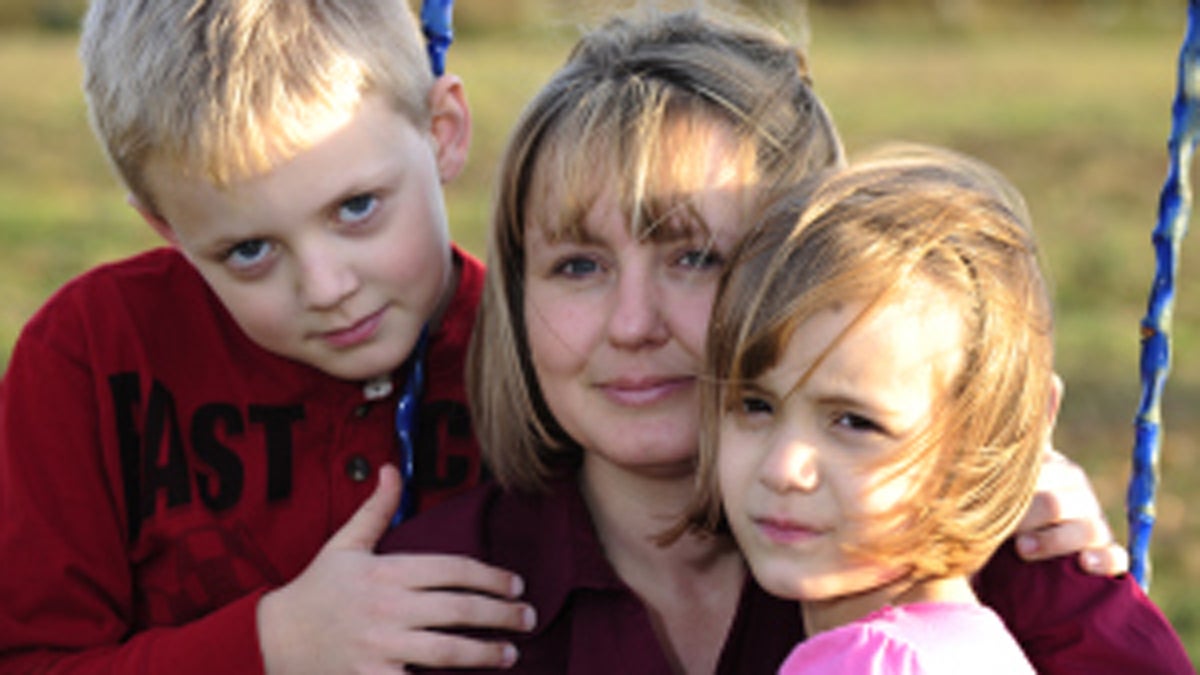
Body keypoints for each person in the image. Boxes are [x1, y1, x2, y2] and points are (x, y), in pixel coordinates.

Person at [379, 8, 1190, 673]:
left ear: (808, 271)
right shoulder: (438, 597)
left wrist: (1018, 502)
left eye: (695, 257)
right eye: (578, 265)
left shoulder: (964, 555)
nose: (632, 323)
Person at [0, 1, 535, 672]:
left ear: (442, 130)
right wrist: (273, 643)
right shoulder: (91, 355)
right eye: (250, 249)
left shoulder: (543, 357)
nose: (325, 286)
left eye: (357, 207)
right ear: (169, 228)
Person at [689, 143, 1187, 673]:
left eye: (855, 422)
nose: (784, 468)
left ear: (996, 436)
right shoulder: (964, 647)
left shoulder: (874, 663)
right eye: (755, 405)